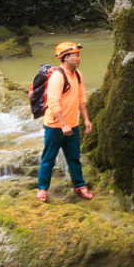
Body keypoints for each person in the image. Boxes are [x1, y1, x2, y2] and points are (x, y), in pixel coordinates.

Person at [38, 41, 93, 202]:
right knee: (49, 158)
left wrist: (86, 119)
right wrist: (63, 124)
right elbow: (53, 103)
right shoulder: (58, 76)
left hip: (72, 125)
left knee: (74, 157)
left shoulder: (78, 75)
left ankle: (79, 185)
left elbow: (81, 99)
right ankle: (42, 189)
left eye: (78, 55)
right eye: (76, 55)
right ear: (66, 57)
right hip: (55, 126)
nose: (79, 58)